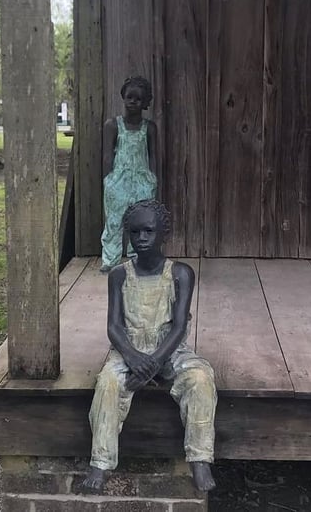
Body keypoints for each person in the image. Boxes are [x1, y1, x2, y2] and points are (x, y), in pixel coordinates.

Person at [84, 200, 217, 492]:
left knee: (200, 379)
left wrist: (154, 363)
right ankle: (101, 461)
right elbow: (114, 326)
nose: (141, 239)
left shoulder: (180, 273)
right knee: (108, 383)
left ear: (162, 234)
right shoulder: (120, 275)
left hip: (169, 349)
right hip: (129, 350)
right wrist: (133, 358)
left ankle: (199, 457)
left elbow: (179, 326)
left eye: (148, 231)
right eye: (135, 233)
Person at [100, 76, 158, 273]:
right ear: (123, 97)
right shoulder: (113, 125)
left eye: (138, 99)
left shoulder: (149, 128)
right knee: (113, 222)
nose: (133, 102)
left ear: (145, 104)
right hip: (118, 182)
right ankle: (110, 260)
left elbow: (153, 156)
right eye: (130, 97)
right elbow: (107, 156)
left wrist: (153, 179)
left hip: (143, 183)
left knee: (141, 223)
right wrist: (108, 180)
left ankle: (138, 260)